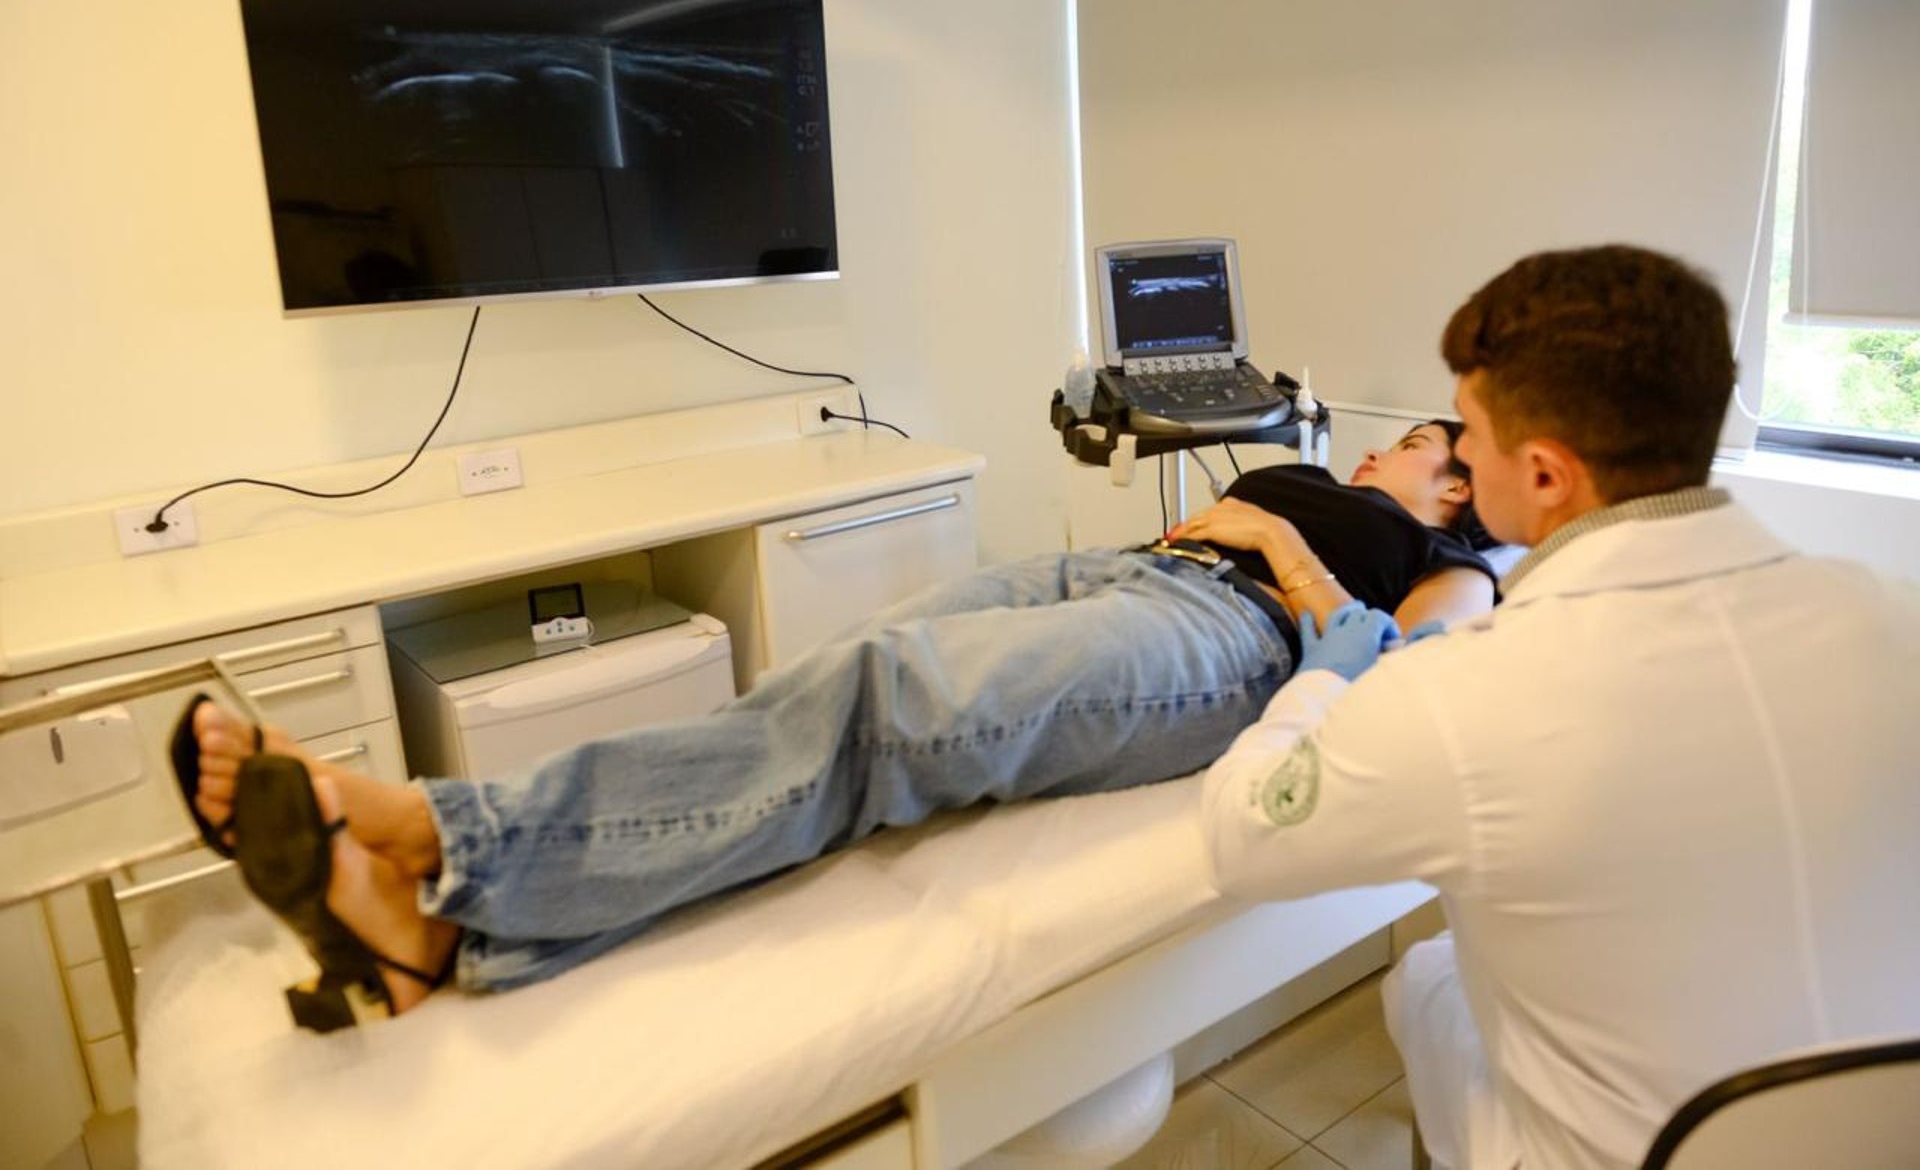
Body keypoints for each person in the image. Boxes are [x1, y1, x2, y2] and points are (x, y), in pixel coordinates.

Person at [179, 420, 1497, 1022]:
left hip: (1235, 639)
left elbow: (1389, 673)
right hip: (1119, 572)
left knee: (885, 710)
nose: (1385, 450)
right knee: (849, 669)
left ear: (1454, 492)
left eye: (1423, 449)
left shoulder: (1450, 563)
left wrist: (1279, 541)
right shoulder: (1306, 460)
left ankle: (448, 851)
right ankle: (436, 924)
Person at [1200, 245, 1920, 1170]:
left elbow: (1244, 838)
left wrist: (1321, 683)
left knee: (1427, 977)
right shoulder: (1895, 614)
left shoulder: (1472, 686)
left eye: (1467, 431)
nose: (1460, 454)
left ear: (1544, 474)